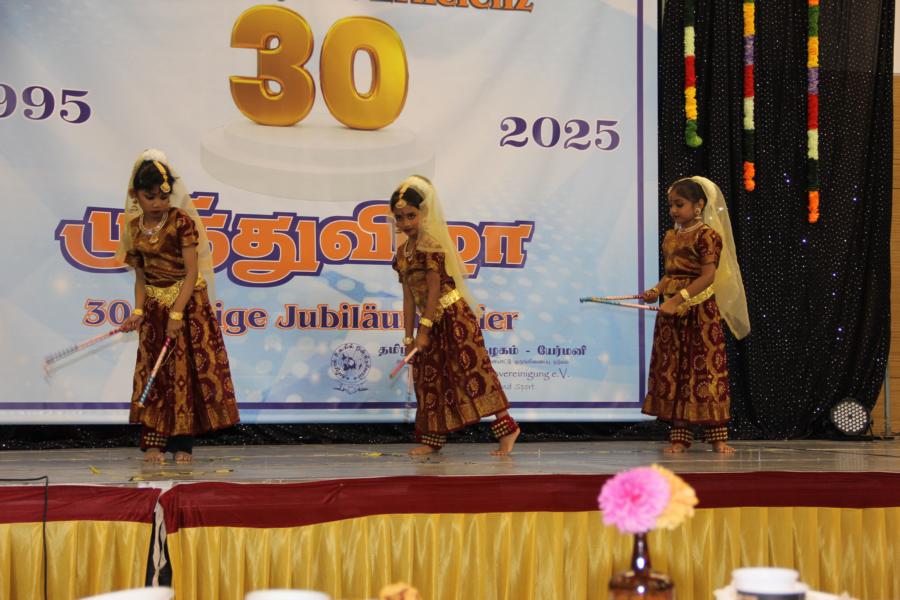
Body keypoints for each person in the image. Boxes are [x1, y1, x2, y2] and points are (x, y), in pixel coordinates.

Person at [116, 149, 239, 464]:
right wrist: (138, 312)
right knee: (154, 374)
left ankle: (182, 444)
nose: (157, 203)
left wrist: (176, 314)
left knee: (183, 374)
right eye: (150, 197)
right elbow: (141, 278)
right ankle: (153, 443)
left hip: (186, 304)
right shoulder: (133, 228)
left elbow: (192, 272)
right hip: (155, 307)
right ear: (135, 195)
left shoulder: (180, 221)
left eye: (163, 196)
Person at [390, 175, 519, 456]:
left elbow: (434, 291)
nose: (405, 223)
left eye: (411, 215)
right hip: (430, 320)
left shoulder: (431, 245)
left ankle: (508, 428)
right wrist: (409, 338)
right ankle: (432, 440)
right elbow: (409, 298)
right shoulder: (402, 253)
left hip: (453, 317)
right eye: (399, 218)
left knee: (472, 373)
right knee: (430, 377)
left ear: (423, 214)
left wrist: (423, 331)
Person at [640, 176, 750, 454]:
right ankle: (679, 436)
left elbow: (708, 276)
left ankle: (717, 438)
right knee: (675, 371)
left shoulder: (707, 236)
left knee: (703, 371)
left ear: (698, 205)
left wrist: (678, 299)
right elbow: (670, 274)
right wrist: (656, 291)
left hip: (699, 311)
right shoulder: (671, 236)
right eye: (671, 205)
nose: (673, 210)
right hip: (673, 311)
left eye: (679, 204)